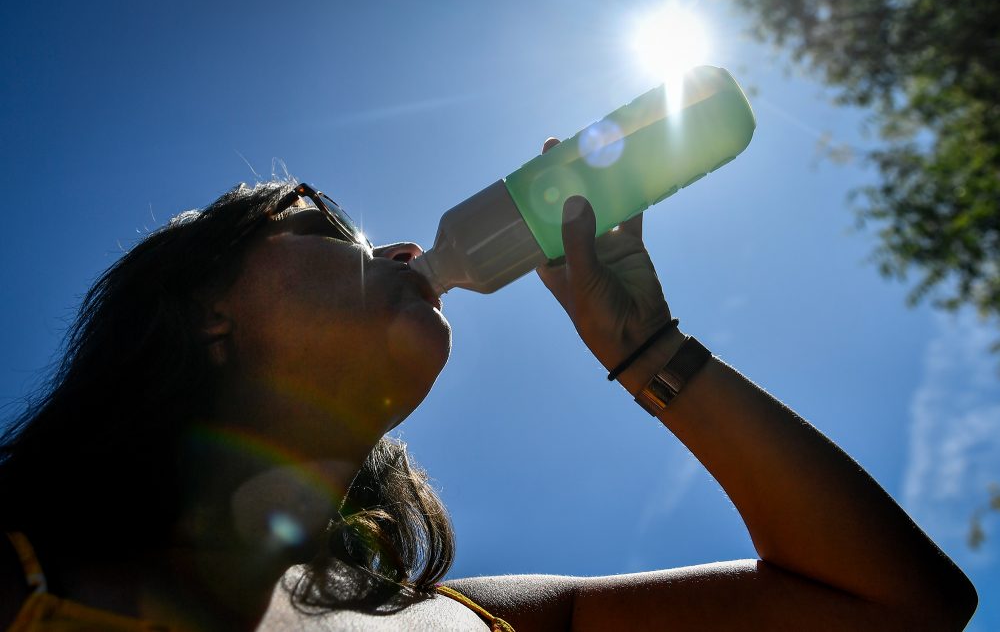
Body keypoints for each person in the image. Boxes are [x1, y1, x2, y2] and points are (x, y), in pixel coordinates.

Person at [0, 138, 978, 631]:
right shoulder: (27, 578)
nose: (395, 247)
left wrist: (647, 347)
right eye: (323, 230)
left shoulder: (462, 619)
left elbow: (897, 605)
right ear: (207, 309)